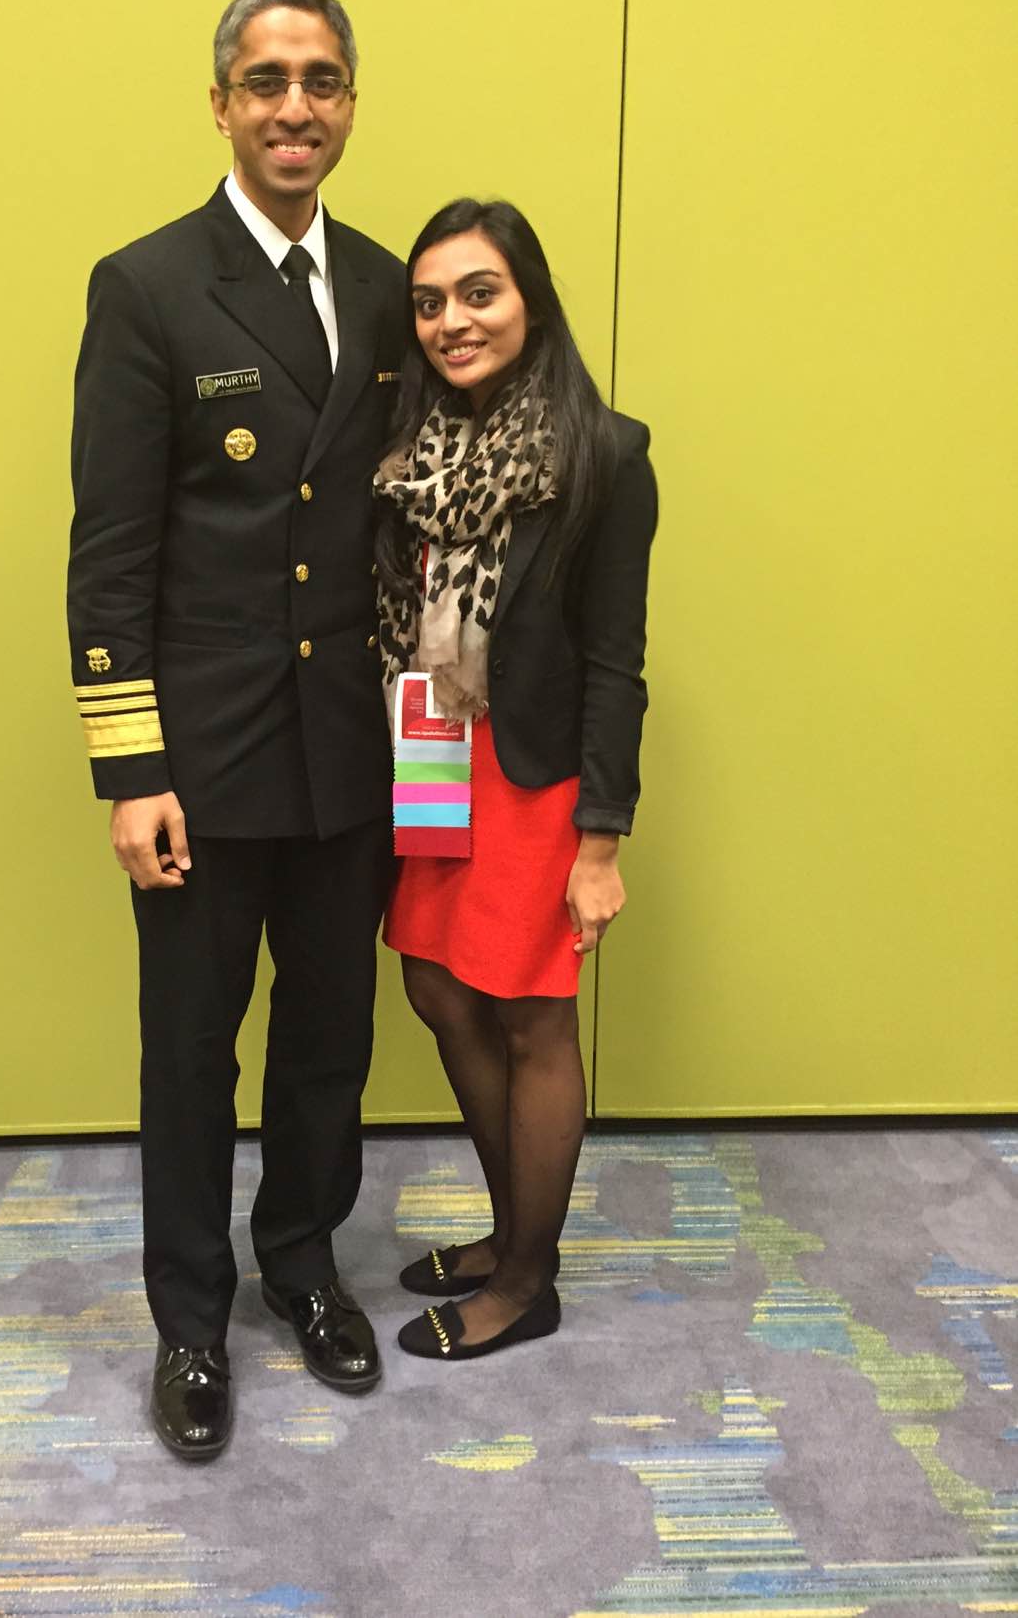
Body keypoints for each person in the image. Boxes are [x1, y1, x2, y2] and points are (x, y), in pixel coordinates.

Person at [67, 0, 407, 1457]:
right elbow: (109, 551)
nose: (293, 107)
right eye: (265, 81)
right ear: (220, 103)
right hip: (199, 767)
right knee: (190, 1054)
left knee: (329, 1043)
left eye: (320, 80)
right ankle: (192, 1325)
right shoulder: (145, 286)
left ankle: (301, 1267)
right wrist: (128, 768)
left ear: (347, 102)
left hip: (352, 759)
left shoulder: (395, 285)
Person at [373, 198, 657, 1361]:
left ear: (529, 298)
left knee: (534, 1016)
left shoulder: (604, 454)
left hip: (535, 775)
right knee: (441, 989)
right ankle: (508, 1229)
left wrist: (602, 839)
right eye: (430, 301)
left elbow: (615, 658)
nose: (453, 321)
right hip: (433, 749)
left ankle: (527, 1278)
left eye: (478, 292)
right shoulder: (404, 455)